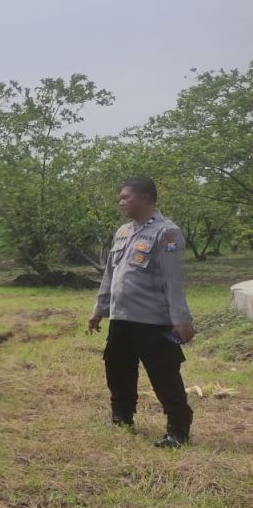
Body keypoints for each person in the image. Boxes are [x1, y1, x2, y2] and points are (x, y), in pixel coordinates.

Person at [86, 177, 195, 449]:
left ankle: (178, 430)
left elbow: (174, 279)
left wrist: (181, 318)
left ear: (145, 197)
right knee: (117, 368)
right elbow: (110, 275)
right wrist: (99, 309)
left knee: (164, 374)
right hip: (122, 317)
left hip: (152, 320)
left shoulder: (166, 233)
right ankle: (122, 417)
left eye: (126, 197)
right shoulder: (123, 232)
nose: (120, 201)